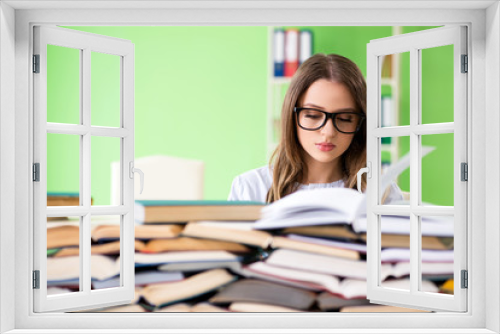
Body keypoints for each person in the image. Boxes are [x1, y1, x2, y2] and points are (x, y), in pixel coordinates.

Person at [228, 53, 402, 204]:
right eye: (312, 115)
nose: (328, 132)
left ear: (360, 123)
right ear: (292, 116)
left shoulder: (382, 193)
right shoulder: (250, 189)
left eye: (344, 119)